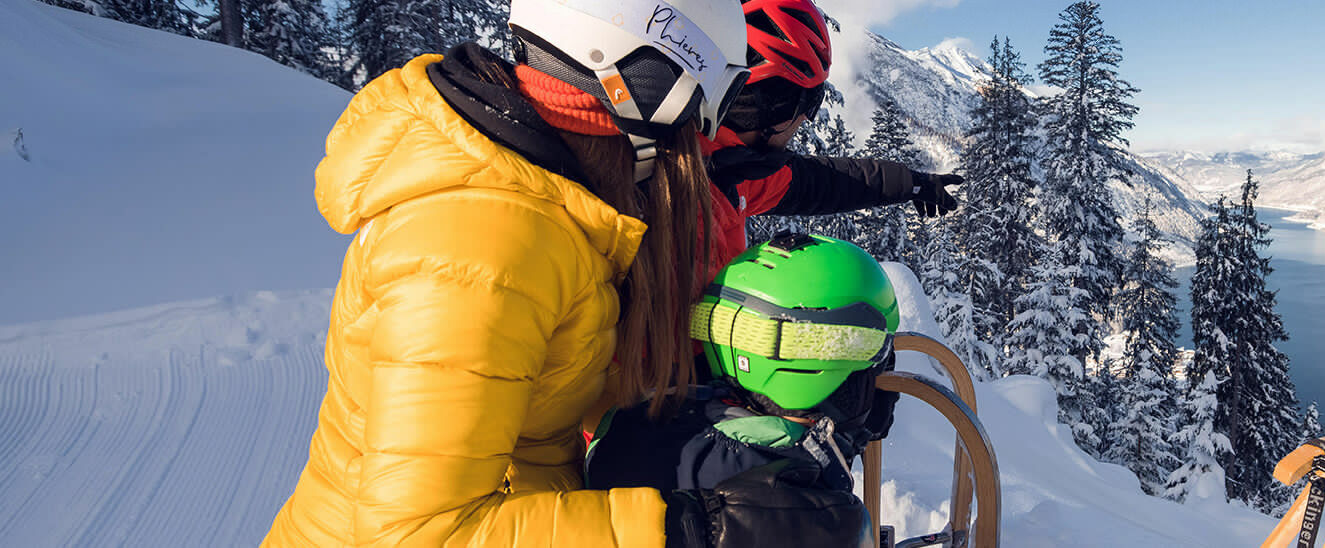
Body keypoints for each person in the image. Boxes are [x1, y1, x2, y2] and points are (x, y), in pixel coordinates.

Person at [262, 0, 868, 545]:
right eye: (707, 103)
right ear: (650, 86)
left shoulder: (570, 200)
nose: (708, 133)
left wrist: (792, 394)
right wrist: (693, 530)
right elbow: (416, 535)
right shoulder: (482, 245)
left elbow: (582, 381)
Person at [584, 234, 897, 495]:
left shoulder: (646, 421)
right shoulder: (803, 504)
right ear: (818, 363)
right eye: (879, 354)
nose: (882, 377)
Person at [695, 0, 964, 268]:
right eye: (808, 103)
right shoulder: (685, 203)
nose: (805, 119)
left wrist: (911, 182)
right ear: (768, 107)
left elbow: (821, 182)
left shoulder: (726, 168)